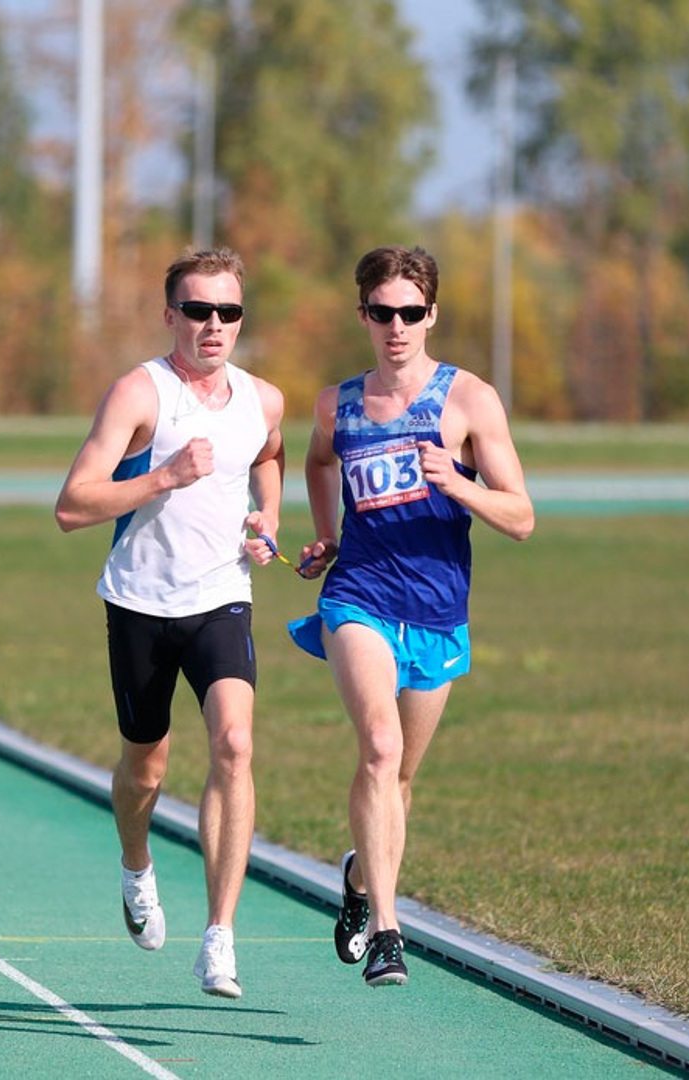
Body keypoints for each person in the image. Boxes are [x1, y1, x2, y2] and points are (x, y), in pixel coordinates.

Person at [287, 246, 534, 987]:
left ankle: (362, 880)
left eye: (411, 313)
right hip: (358, 596)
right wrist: (328, 534)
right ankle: (392, 935)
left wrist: (457, 484)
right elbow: (318, 461)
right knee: (379, 748)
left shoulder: (469, 401)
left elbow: (520, 516)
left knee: (399, 782)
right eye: (382, 313)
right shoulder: (339, 403)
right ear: (362, 314)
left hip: (436, 610)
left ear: (432, 314)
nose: (397, 327)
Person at [54, 248, 286, 999]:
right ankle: (135, 864)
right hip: (140, 605)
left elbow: (271, 455)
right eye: (197, 310)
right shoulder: (139, 393)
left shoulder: (264, 399)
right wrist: (163, 477)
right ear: (170, 316)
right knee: (144, 766)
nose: (213, 325)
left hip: (222, 597)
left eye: (228, 311)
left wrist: (268, 519)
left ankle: (219, 937)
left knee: (234, 743)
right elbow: (72, 505)